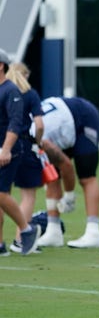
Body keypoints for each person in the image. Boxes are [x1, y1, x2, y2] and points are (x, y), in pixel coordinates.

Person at [34, 96, 99, 249]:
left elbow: (66, 164)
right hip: (61, 128)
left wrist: (69, 195)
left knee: (87, 176)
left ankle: (93, 232)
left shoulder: (37, 138)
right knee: (51, 175)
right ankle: (53, 231)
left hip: (83, 118)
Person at [0, 48, 41, 255]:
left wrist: (6, 149)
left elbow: (15, 124)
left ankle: (26, 229)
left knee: (1, 193)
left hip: (9, 150)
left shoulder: (10, 91)